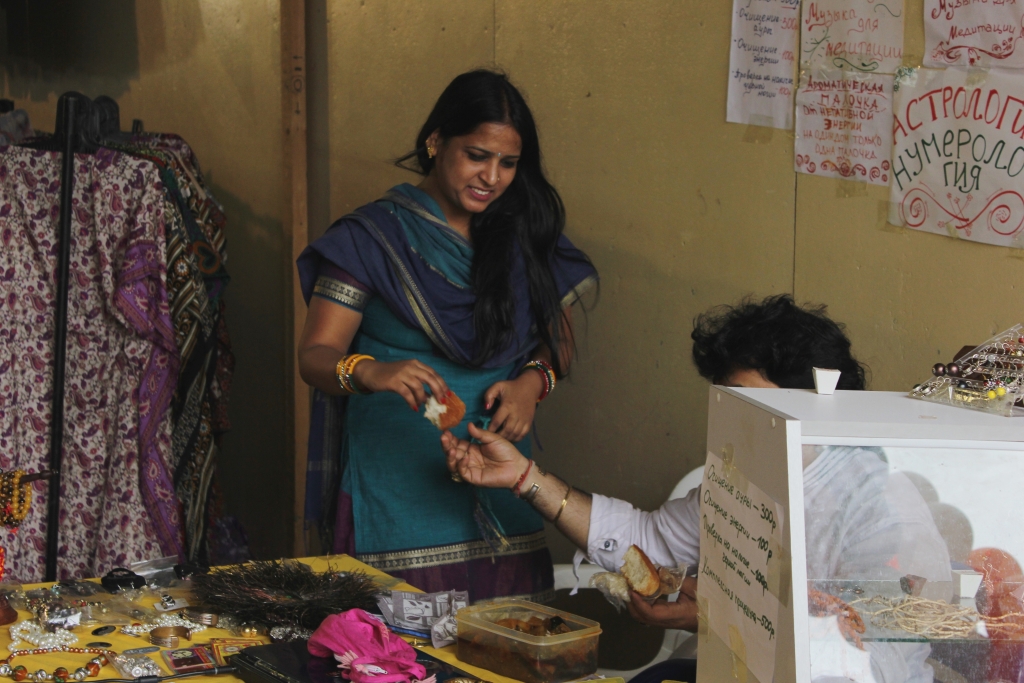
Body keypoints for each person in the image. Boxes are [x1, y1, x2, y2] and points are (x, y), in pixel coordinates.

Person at [443, 295, 951, 683]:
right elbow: (649, 542)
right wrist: (525, 477)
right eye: (725, 403)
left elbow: (874, 666)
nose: (731, 424)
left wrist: (718, 618)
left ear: (814, 404)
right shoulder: (748, 476)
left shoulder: (883, 513)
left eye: (749, 405)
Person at [296, 70, 597, 603]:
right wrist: (370, 371)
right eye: (477, 156)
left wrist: (532, 384)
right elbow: (316, 355)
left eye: (509, 163)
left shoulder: (525, 235)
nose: (492, 177)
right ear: (436, 141)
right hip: (395, 485)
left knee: (508, 635)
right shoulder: (372, 239)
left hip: (502, 475)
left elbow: (560, 345)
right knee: (394, 642)